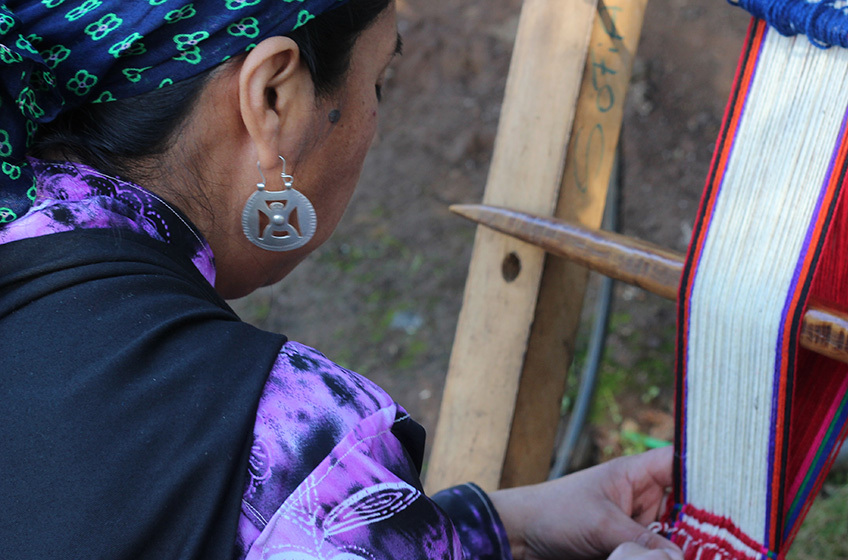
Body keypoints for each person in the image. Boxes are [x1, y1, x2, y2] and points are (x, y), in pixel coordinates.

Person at [0, 2, 683, 559]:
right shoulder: (287, 438)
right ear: (273, 97)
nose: (373, 121)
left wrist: (498, 523)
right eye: (378, 80)